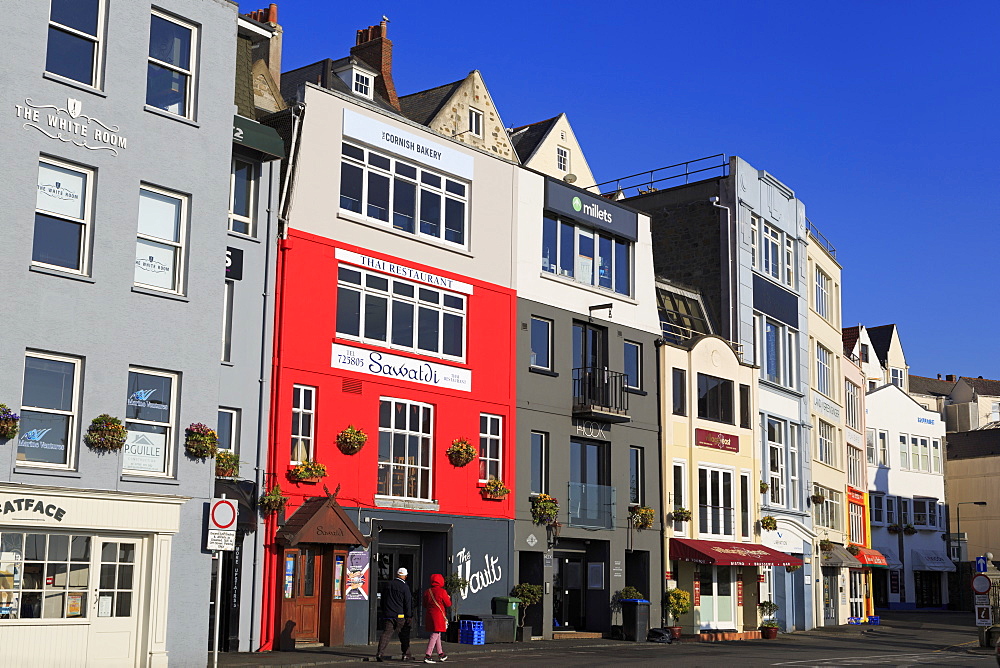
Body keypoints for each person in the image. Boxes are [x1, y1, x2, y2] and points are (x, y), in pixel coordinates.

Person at [375, 567, 413, 662]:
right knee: (404, 635)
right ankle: (406, 655)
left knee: (386, 634)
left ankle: (380, 653)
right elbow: (408, 603)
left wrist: (384, 611)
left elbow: (383, 600)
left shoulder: (388, 585)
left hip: (389, 614)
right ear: (405, 576)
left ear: (397, 574)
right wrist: (409, 615)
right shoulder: (405, 587)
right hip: (400, 615)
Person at [422, 574, 452, 663]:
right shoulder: (442, 591)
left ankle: (441, 653)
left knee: (437, 633)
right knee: (435, 634)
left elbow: (424, 604)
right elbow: (448, 604)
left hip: (429, 614)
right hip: (438, 615)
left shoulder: (427, 591)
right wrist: (448, 598)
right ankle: (428, 655)